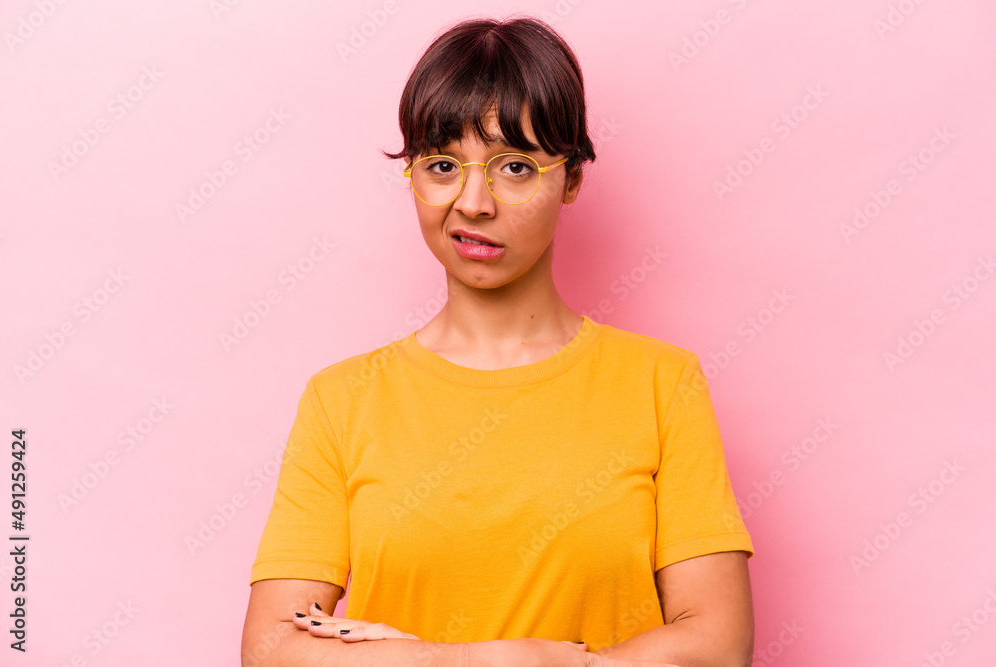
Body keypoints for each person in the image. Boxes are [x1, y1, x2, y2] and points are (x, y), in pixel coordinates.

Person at [242, 15, 754, 667]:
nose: (474, 202)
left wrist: (551, 661)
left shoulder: (663, 384)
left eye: (515, 166)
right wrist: (465, 660)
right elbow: (268, 647)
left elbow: (720, 643)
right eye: (442, 164)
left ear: (570, 178)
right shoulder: (340, 400)